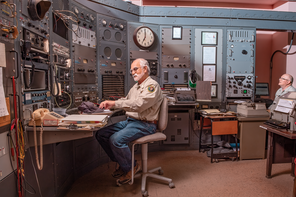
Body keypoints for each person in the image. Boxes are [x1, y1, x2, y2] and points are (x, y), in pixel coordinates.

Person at [96, 58, 163, 185]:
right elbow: (126, 101)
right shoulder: (136, 87)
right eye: (131, 70)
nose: (132, 72)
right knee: (101, 134)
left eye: (135, 69)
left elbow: (139, 105)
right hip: (131, 121)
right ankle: (124, 164)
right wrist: (111, 105)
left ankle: (130, 168)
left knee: (116, 140)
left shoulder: (151, 86)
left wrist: (115, 103)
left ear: (145, 69)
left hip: (146, 124)